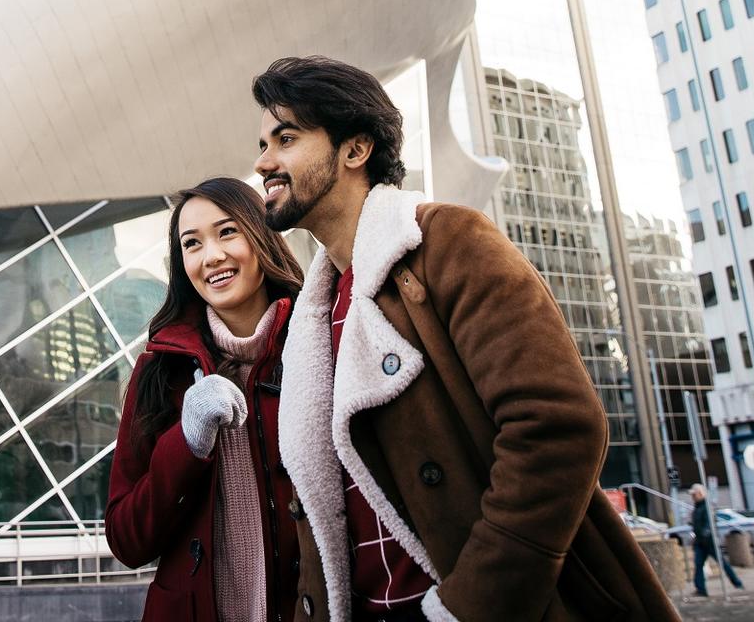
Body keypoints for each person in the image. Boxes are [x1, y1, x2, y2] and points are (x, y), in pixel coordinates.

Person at [252, 55, 681, 622]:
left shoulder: (449, 243)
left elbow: (558, 427)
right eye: (263, 144)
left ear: (355, 151)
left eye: (286, 138)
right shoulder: (314, 311)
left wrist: (468, 606)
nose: (263, 163)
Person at [107, 176, 305, 621]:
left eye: (227, 231)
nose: (211, 256)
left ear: (262, 236)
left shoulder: (318, 346)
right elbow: (126, 539)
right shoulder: (159, 371)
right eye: (191, 244)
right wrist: (187, 443)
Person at [688, 483, 743, 597]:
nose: (693, 497)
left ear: (700, 493)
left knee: (723, 563)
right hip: (700, 542)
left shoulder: (706, 507)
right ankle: (701, 589)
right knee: (698, 565)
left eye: (694, 494)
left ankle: (737, 583)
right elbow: (697, 524)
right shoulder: (697, 508)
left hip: (709, 541)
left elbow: (709, 524)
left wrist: (704, 534)